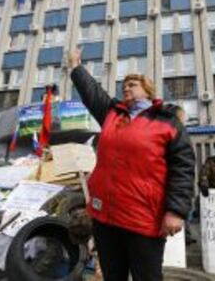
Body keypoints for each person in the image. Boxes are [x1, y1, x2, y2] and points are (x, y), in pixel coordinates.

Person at [68, 49, 195, 281]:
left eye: (133, 84)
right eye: (124, 85)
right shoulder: (112, 114)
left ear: (148, 90)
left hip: (143, 219)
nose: (126, 88)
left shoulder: (167, 122)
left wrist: (176, 211)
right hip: (105, 217)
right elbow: (91, 92)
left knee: (146, 276)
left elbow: (183, 170)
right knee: (112, 275)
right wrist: (76, 66)